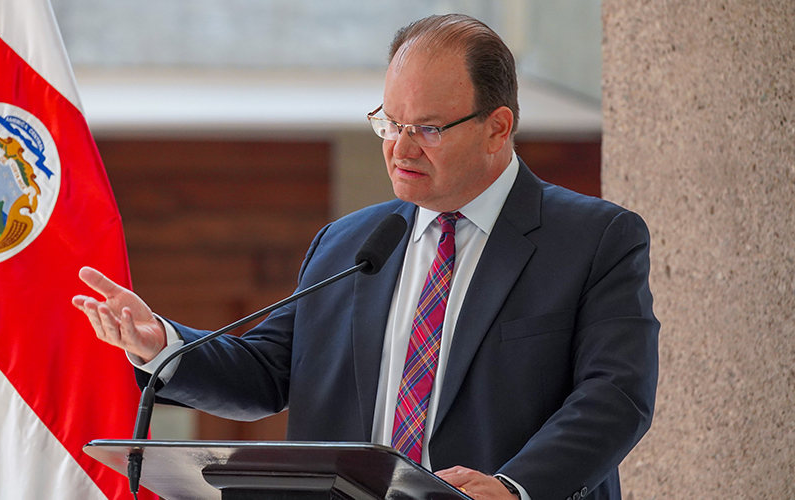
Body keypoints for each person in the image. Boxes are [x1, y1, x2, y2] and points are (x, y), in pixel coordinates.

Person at [73, 14, 658, 500]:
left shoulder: (595, 239)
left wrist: (513, 488)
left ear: (496, 129)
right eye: (390, 122)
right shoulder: (348, 245)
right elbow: (266, 374)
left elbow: (616, 395)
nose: (399, 148)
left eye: (427, 128)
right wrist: (164, 345)